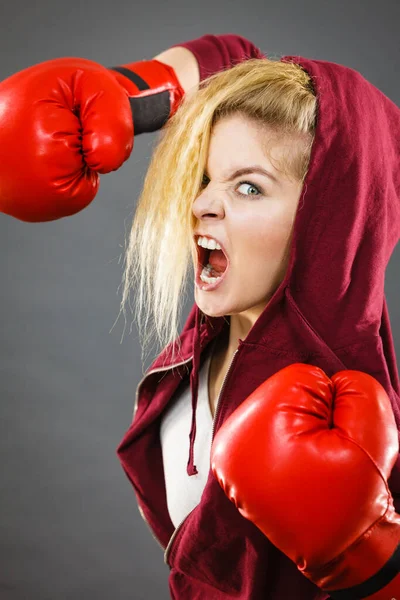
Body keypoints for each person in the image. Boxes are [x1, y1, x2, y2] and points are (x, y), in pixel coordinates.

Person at [1, 33, 400, 600]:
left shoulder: (361, 425)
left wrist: (375, 568)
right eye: (207, 178)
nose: (201, 204)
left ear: (328, 223)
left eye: (248, 187)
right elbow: (227, 61)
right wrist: (123, 93)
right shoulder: (207, 339)